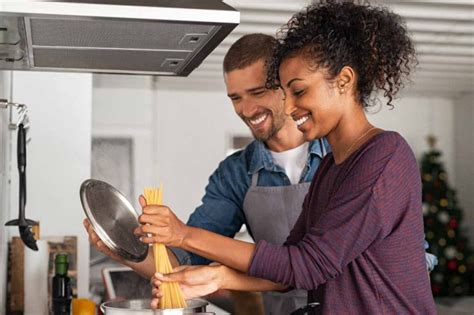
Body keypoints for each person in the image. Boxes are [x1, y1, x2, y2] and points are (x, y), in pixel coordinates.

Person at [143, 2, 437, 314]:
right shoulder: (329, 168)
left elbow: (308, 266)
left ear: (344, 81)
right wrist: (218, 277)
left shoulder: (384, 156)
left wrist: (184, 234)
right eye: (285, 93)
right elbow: (290, 267)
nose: (291, 106)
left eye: (298, 91)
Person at [85, 33, 329, 314]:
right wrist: (122, 250)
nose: (247, 109)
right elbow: (183, 262)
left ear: (285, 87)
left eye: (257, 92)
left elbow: (315, 263)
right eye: (235, 98)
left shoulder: (338, 156)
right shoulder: (235, 173)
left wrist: (186, 237)